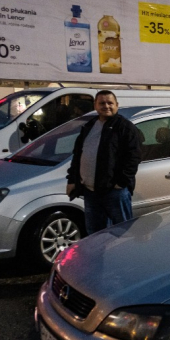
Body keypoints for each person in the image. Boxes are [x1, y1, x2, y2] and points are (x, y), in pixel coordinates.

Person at [66, 90, 142, 235]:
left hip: (114, 192)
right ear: (95, 105)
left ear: (117, 105)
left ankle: (122, 258)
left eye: (110, 103)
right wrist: (72, 180)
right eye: (102, 103)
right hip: (91, 192)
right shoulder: (89, 126)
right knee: (95, 234)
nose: (106, 106)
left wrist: (121, 183)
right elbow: (78, 155)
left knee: (123, 233)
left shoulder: (125, 127)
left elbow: (134, 157)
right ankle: (100, 258)